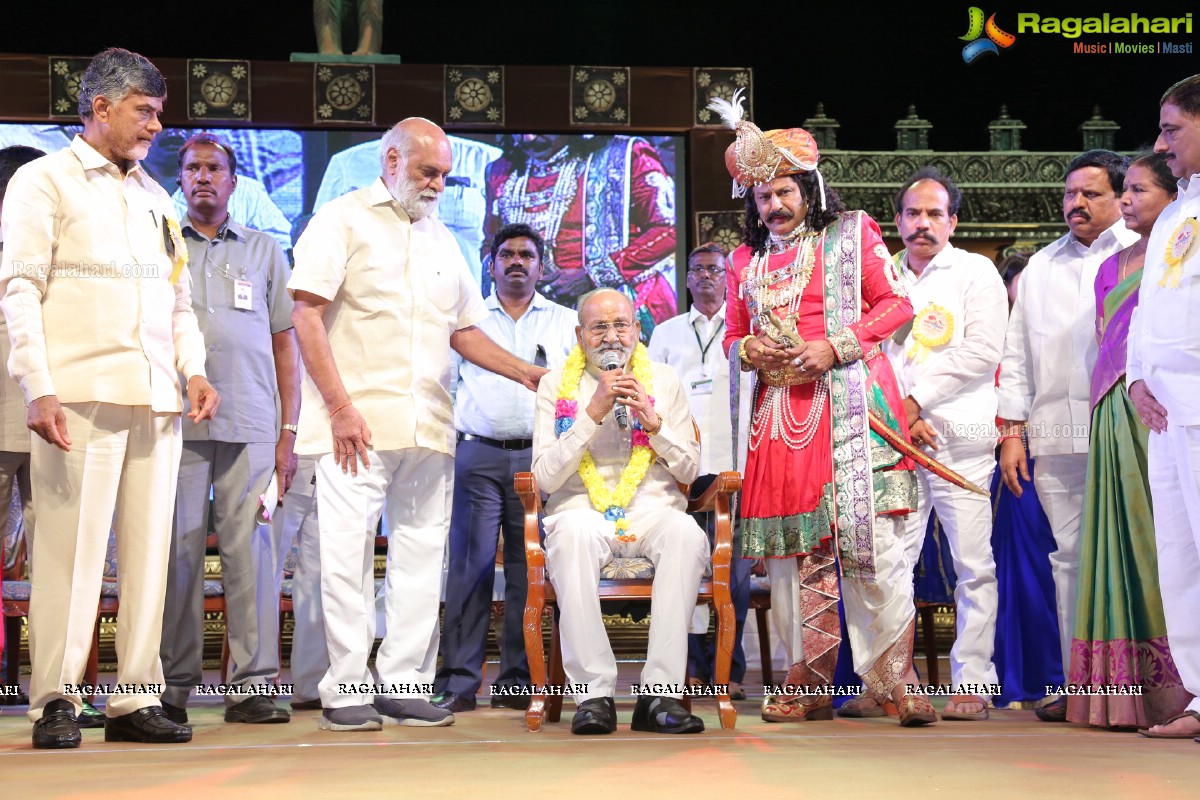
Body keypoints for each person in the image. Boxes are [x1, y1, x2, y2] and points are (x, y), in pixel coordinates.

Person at [289, 117, 546, 732]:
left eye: (445, 174)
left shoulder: (442, 241)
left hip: (430, 426)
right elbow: (306, 316)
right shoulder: (342, 219)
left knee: (421, 559)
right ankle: (345, 687)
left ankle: (403, 682)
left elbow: (462, 330)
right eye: (428, 171)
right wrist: (340, 407)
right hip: (357, 426)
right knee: (346, 559)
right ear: (393, 159)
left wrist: (526, 374)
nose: (438, 183)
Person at [0, 47, 219, 748]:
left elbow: (179, 301)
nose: (156, 125)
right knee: (69, 551)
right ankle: (56, 700)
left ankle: (134, 698)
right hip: (79, 394)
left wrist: (195, 371)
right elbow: (20, 289)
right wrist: (38, 385)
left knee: (149, 555)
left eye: (157, 113)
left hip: (157, 398)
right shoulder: (43, 182)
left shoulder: (157, 197)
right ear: (100, 108)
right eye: (145, 111)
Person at [709, 92, 929, 726]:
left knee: (873, 551)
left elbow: (896, 307)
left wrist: (834, 347)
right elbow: (733, 336)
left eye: (784, 192)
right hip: (782, 425)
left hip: (856, 414)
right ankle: (805, 682)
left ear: (808, 189)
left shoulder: (851, 233)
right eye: (761, 197)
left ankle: (896, 683)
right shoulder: (744, 261)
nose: (773, 206)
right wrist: (747, 347)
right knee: (793, 560)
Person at [158, 134, 300, 725]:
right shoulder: (159, 248)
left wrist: (289, 429)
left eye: (214, 167)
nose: (202, 177)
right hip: (175, 425)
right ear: (181, 179)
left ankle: (254, 686)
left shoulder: (266, 250)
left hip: (253, 425)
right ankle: (171, 686)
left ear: (235, 181)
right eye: (192, 168)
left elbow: (284, 344)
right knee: (177, 555)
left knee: (252, 556)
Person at [998, 149, 1138, 722]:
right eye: (1070, 194)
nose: (1076, 204)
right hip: (1056, 436)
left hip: (1131, 431)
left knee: (1137, 557)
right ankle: (1082, 687)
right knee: (1070, 562)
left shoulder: (1142, 252)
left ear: (1120, 196)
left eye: (1091, 194)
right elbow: (1017, 356)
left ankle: (1148, 687)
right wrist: (1012, 432)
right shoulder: (1042, 268)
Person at [532, 287, 709, 735]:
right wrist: (589, 415)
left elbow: (689, 468)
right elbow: (544, 479)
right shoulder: (557, 385)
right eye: (599, 327)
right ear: (580, 335)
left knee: (687, 535)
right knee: (569, 535)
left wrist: (654, 422)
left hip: (653, 508)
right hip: (582, 510)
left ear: (637, 329)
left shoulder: (664, 380)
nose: (612, 336)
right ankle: (593, 695)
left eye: (621, 325)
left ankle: (660, 697)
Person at [432, 223, 576, 713]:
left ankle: (519, 679)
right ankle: (458, 681)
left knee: (527, 571)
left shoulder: (565, 322)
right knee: (469, 569)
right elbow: (443, 386)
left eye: (527, 255)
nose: (517, 262)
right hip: (477, 454)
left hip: (540, 460)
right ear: (490, 263)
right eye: (507, 255)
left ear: (543, 265)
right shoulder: (467, 322)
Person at [1068, 151, 1189, 729]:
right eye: (1128, 191)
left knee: (1169, 543)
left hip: (1167, 415)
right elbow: (1114, 337)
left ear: (1171, 196)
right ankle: (1127, 692)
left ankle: (1183, 693)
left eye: (1138, 191)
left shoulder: (1181, 248)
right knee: (1133, 543)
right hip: (1117, 410)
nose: (1126, 202)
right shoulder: (1110, 268)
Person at [885, 167, 1007, 720]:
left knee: (973, 565)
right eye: (914, 213)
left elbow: (982, 350)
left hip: (960, 438)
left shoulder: (976, 271)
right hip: (892, 441)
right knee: (892, 564)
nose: (924, 224)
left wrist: (918, 402)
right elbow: (872, 356)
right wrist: (900, 414)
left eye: (935, 213)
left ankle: (972, 683)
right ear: (898, 219)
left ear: (953, 221)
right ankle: (893, 682)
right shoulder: (880, 276)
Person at [647, 242, 753, 700]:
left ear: (729, 278)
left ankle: (726, 670)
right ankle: (687, 666)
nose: (707, 276)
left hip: (735, 466)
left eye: (716, 269)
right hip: (682, 468)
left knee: (736, 574)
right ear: (687, 278)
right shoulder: (666, 334)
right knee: (684, 568)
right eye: (698, 269)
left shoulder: (747, 332)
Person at [1128, 74, 1200, 740]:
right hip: (1165, 412)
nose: (1160, 143)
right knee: (1178, 556)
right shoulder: (1178, 211)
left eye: (1172, 128)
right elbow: (1149, 309)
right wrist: (1136, 378)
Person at [481, 134, 678, 333]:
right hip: (534, 320)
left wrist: (593, 275)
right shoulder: (502, 170)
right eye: (519, 131)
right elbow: (491, 243)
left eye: (541, 130)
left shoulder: (625, 155)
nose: (529, 138)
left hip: (620, 312)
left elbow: (669, 229)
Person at [0, 145, 44, 657]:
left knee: (60, 559)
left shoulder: (61, 249)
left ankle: (61, 692)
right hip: (4, 422)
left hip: (56, 420)